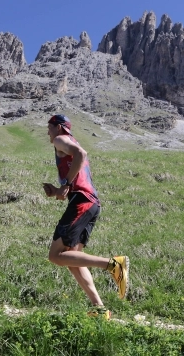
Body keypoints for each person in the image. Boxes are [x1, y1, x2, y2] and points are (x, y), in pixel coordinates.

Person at [43, 114, 129, 319]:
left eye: (49, 127)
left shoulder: (60, 140)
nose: (47, 132)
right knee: (73, 260)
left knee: (55, 256)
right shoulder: (67, 143)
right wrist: (57, 191)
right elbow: (78, 172)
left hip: (82, 202)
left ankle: (114, 265)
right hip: (90, 202)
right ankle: (99, 309)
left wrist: (65, 184)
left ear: (59, 127)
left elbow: (81, 154)